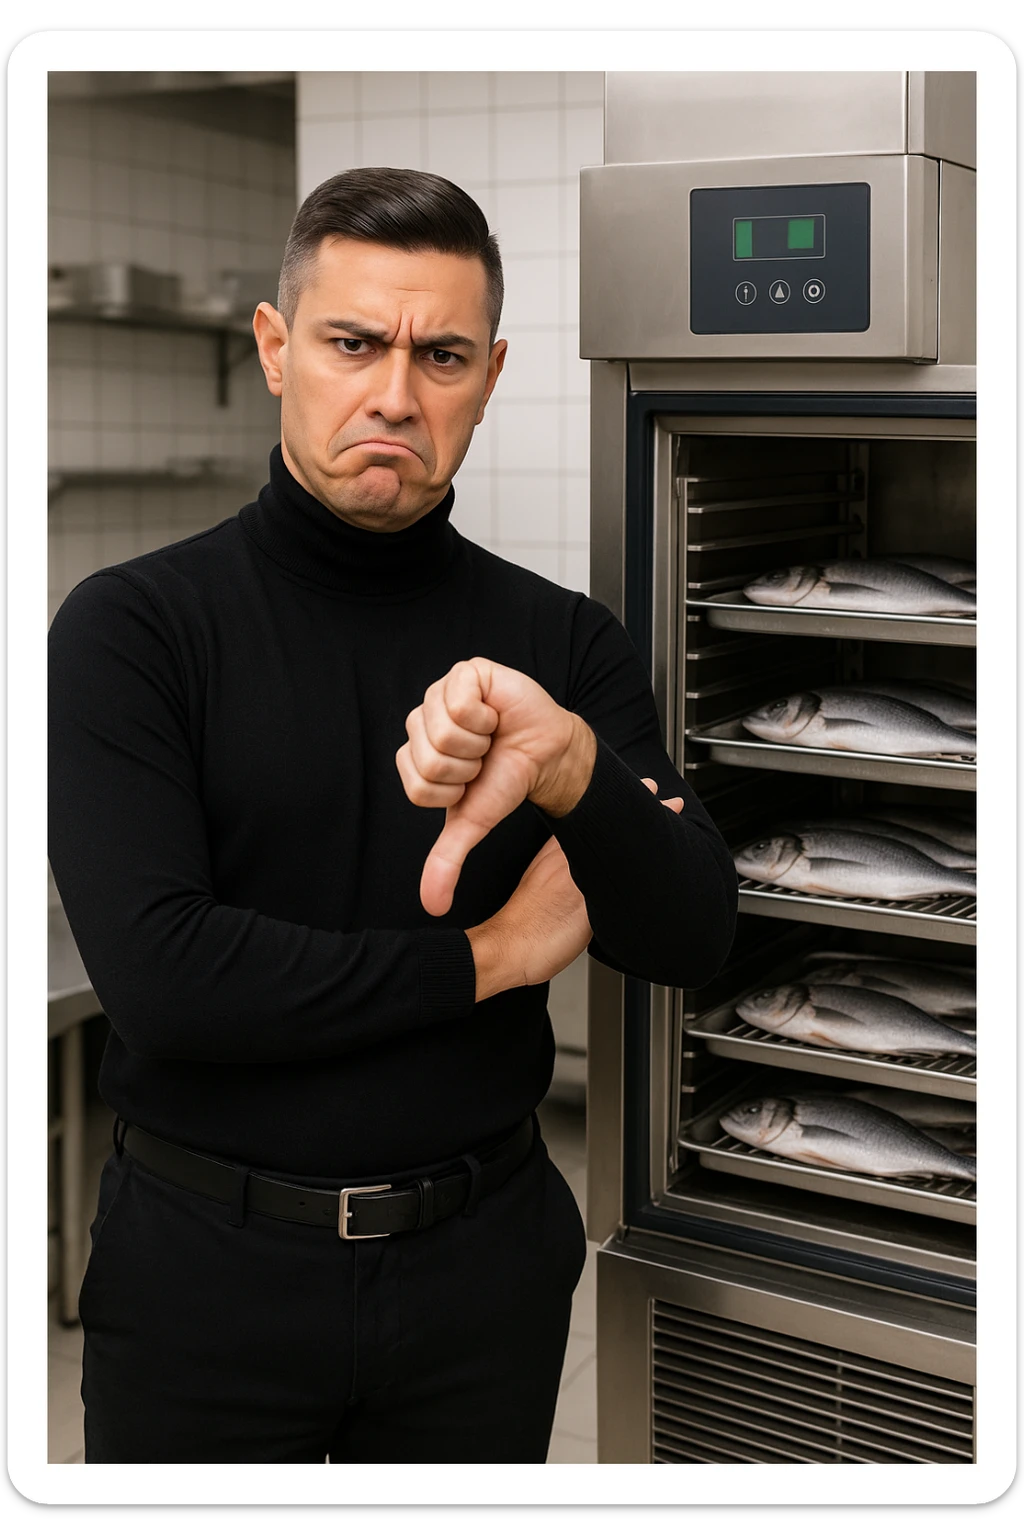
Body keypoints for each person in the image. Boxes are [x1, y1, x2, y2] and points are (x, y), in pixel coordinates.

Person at [47, 167, 738, 1465]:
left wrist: (576, 769)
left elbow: (695, 931)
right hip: (207, 1277)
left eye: (443, 355)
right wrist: (489, 957)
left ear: (490, 375)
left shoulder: (561, 648)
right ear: (275, 348)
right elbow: (166, 983)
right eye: (353, 342)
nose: (395, 395)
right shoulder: (132, 631)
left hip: (479, 1278)